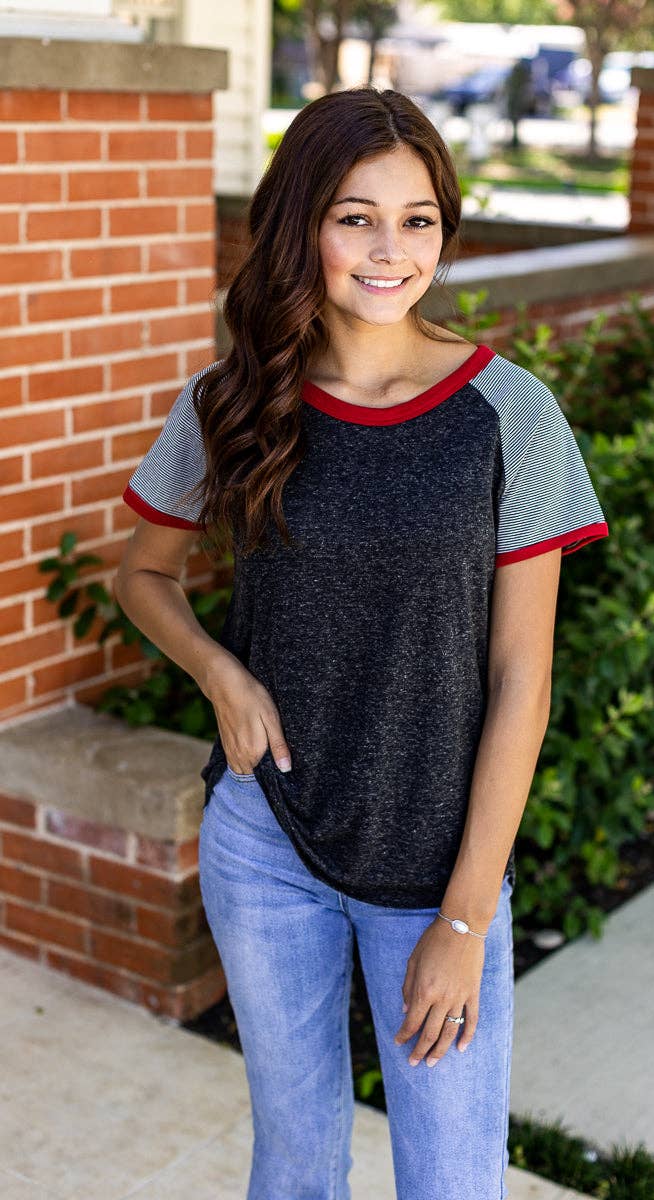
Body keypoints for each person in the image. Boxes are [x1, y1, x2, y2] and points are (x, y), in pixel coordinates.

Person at [115, 86, 609, 1200]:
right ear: (302, 224)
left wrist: (466, 919)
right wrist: (219, 672)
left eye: (418, 218)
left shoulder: (508, 415)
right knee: (294, 1162)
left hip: (435, 868)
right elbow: (141, 577)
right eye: (355, 216)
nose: (390, 250)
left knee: (450, 1176)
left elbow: (521, 678)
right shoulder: (237, 400)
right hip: (264, 838)